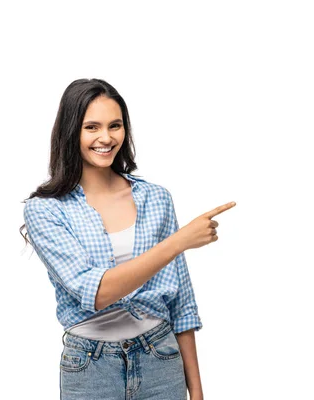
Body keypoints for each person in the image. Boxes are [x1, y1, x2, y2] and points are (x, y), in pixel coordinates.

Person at [19, 78, 236, 400]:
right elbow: (93, 292)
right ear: (70, 132)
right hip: (90, 368)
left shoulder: (155, 198)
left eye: (115, 125)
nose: (106, 138)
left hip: (161, 357)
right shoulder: (45, 211)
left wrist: (198, 393)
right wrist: (178, 241)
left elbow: (181, 303)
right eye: (91, 127)